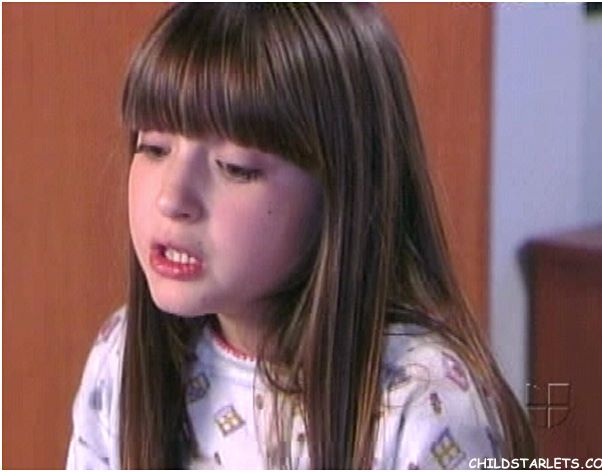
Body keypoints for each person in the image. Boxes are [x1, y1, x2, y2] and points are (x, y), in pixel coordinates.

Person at [66, 3, 535, 469]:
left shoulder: (424, 401)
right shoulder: (120, 356)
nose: (172, 198)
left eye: (235, 167)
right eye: (153, 147)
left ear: (342, 192)